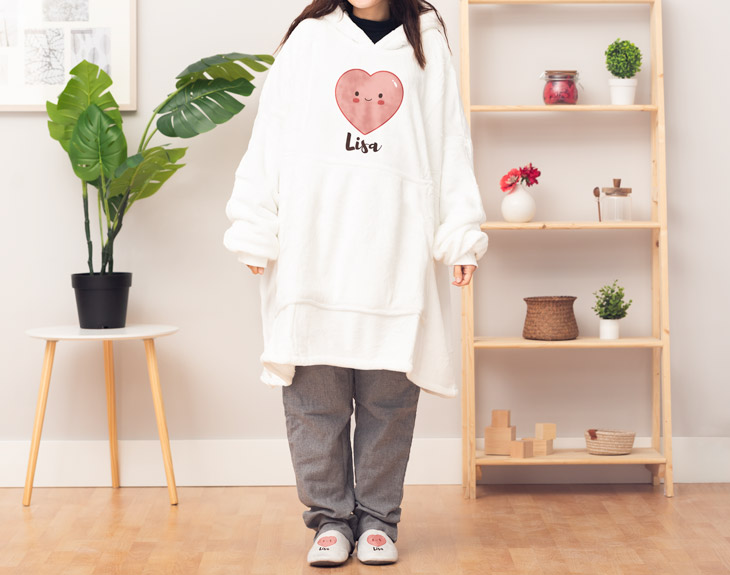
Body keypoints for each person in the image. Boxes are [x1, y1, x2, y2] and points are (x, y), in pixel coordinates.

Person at [223, 0, 488, 567]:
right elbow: (271, 133)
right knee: (314, 399)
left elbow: (449, 141)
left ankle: (378, 520)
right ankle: (329, 520)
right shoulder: (310, 39)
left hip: (395, 249)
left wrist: (460, 232)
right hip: (314, 246)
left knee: (388, 400)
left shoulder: (425, 40)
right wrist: (253, 225)